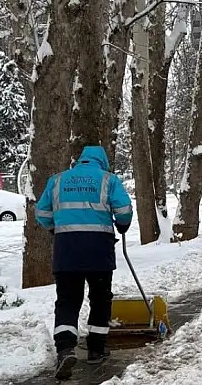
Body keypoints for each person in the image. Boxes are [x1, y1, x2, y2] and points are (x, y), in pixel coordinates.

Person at [35, 145, 133, 380]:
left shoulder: (57, 180)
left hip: (66, 248)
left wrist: (55, 229)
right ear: (102, 162)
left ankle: (66, 349)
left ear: (80, 161)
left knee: (68, 300)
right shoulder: (108, 180)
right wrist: (122, 225)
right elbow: (124, 209)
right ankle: (97, 350)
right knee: (100, 297)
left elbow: (41, 213)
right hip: (98, 248)